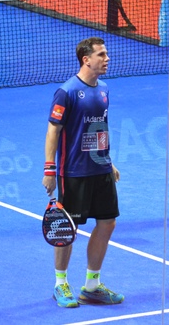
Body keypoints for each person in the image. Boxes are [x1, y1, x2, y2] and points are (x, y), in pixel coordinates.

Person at [42, 37, 124, 307]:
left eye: (106, 53)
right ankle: (60, 284)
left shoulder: (104, 89)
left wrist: (107, 161)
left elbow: (99, 128)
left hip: (99, 168)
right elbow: (53, 130)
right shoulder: (66, 92)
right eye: (101, 54)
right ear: (86, 59)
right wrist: (50, 169)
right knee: (67, 229)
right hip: (73, 172)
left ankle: (91, 285)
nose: (107, 58)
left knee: (108, 223)